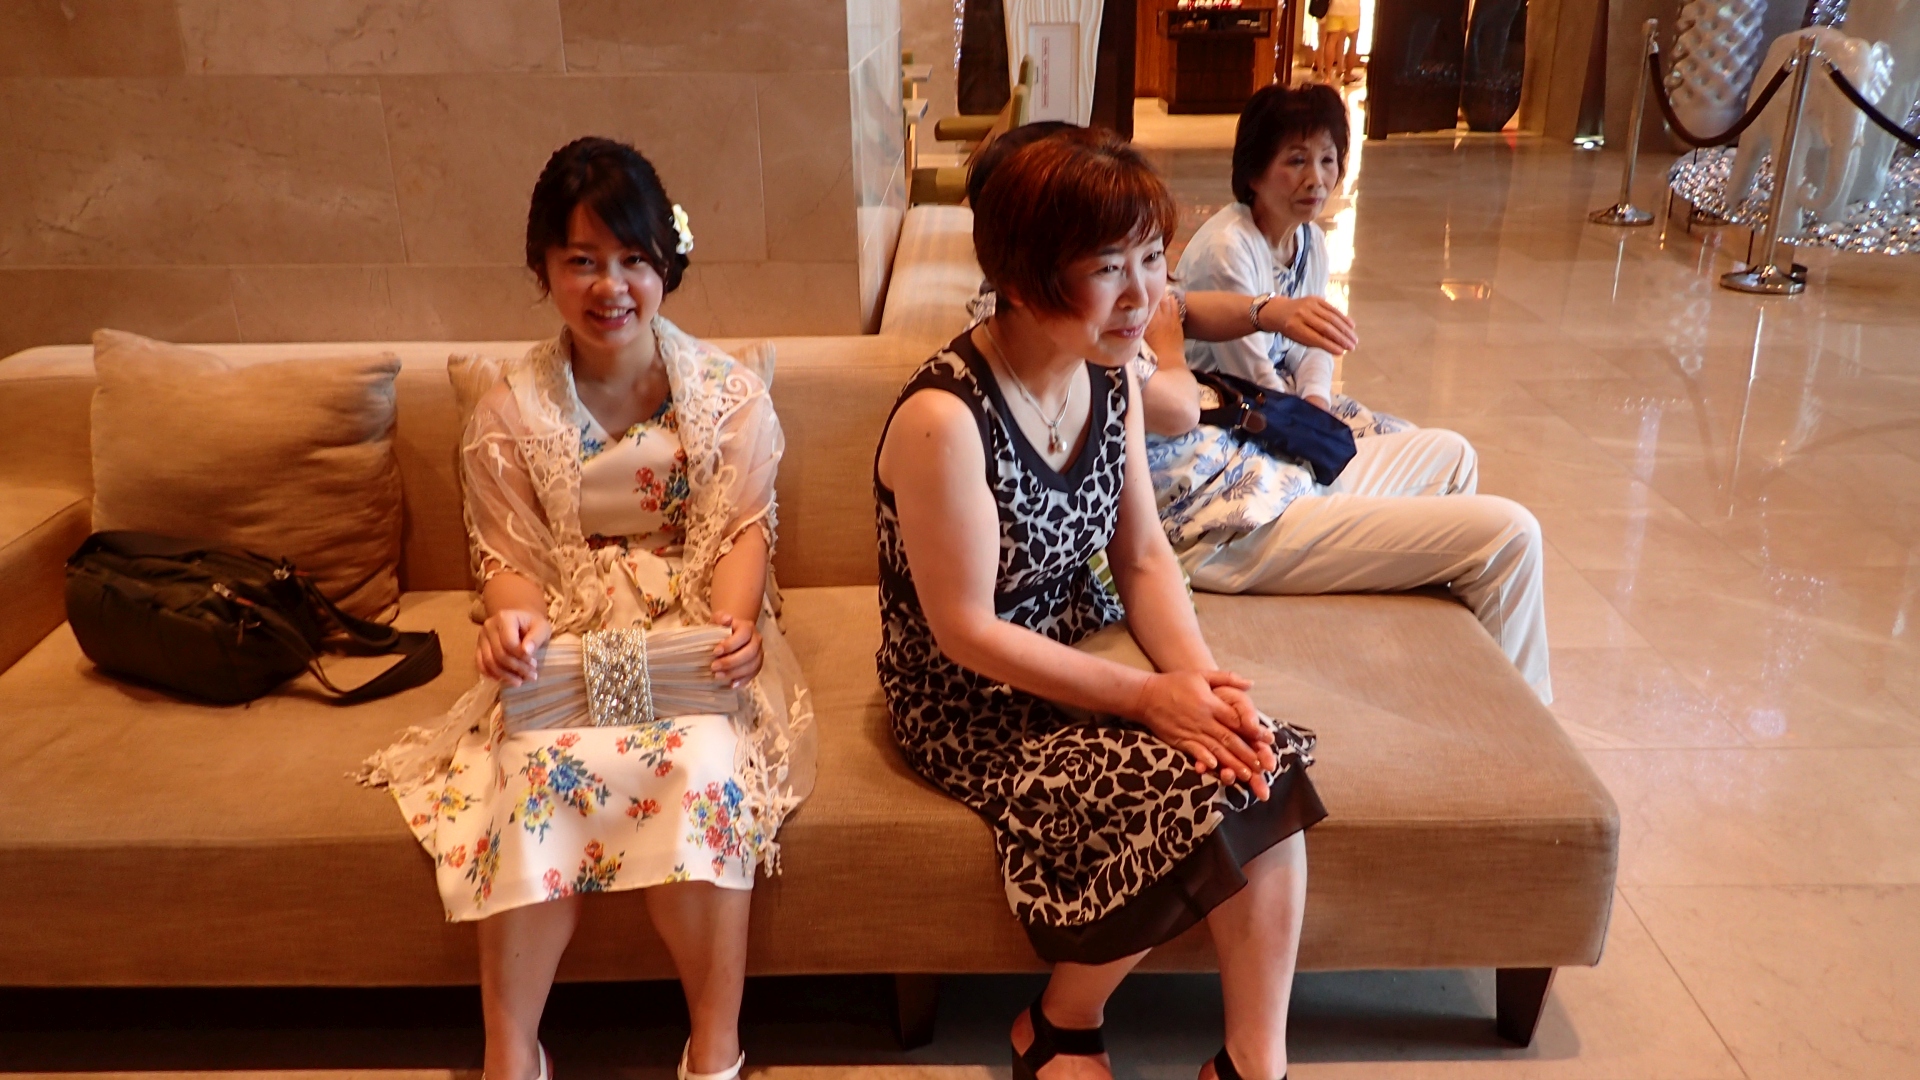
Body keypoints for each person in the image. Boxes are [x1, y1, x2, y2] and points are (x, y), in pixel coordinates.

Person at [358, 137, 813, 1080]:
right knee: (528, 770)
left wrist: (734, 627)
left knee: (706, 764)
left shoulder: (728, 396)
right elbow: (510, 561)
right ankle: (512, 1055)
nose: (612, 287)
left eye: (633, 259)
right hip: (569, 641)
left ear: (666, 263)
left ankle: (715, 1050)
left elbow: (742, 529)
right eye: (583, 260)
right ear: (544, 269)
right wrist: (513, 625)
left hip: (692, 637)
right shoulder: (507, 414)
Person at [875, 127, 1323, 1080]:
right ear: (1023, 276)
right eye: (1109, 267)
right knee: (1193, 793)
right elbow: (965, 633)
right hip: (973, 702)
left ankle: (1255, 1065)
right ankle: (1059, 1023)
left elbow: (1145, 558)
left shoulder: (1107, 374)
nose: (1144, 296)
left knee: (1258, 762)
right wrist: (1148, 698)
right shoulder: (945, 417)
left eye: (1152, 260)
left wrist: (1203, 691)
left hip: (1078, 650)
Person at [1154, 84, 1550, 702]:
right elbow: (1212, 386)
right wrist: (1184, 338)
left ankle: (1448, 657)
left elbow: (1300, 336)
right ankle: (1512, 720)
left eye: (1328, 159)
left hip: (1264, 456)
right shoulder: (1194, 278)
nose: (1316, 178)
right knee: (1510, 533)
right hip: (1237, 494)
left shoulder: (1302, 242)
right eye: (1296, 160)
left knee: (1451, 454)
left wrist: (1310, 393)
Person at [1316, 0, 1361, 84]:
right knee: (1353, 42)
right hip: (1353, 9)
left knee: (1331, 40)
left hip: (1335, 7)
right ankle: (1347, 75)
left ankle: (1328, 76)